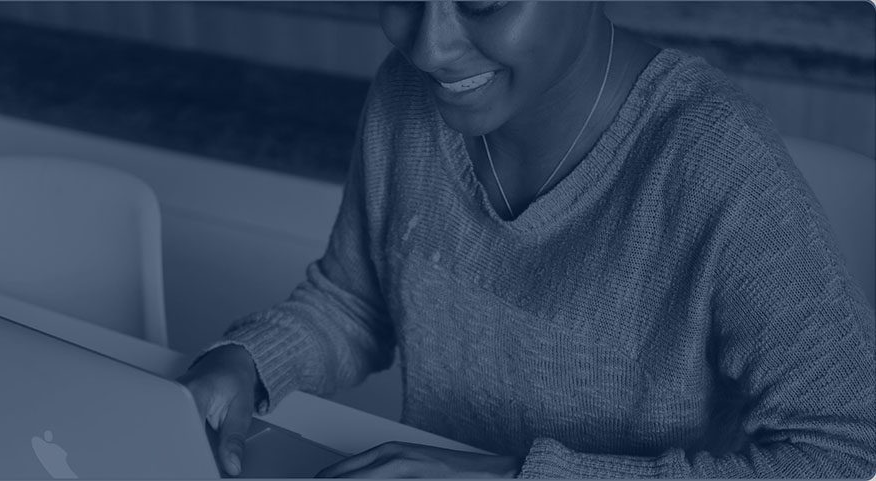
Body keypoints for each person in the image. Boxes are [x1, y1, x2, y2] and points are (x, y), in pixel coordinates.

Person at [178, 2, 876, 478]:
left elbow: (847, 450)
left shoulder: (713, 158)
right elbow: (354, 301)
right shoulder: (406, 94)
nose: (429, 46)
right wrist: (247, 362)